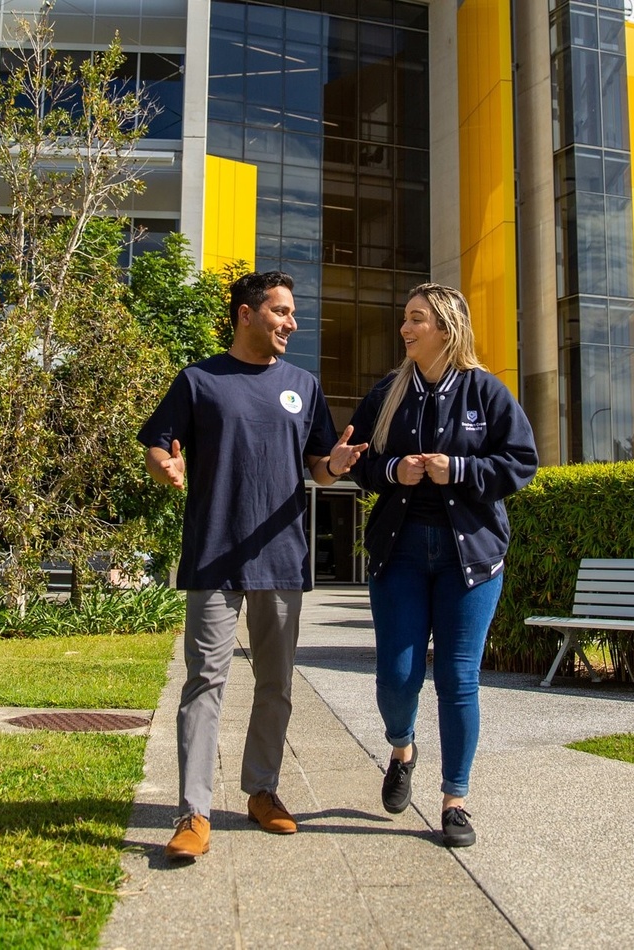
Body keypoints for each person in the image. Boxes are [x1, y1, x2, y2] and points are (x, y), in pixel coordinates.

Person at [138, 270, 367, 860]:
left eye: (293, 313)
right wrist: (164, 464)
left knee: (276, 685)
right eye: (281, 312)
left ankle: (263, 791)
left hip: (281, 557)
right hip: (214, 554)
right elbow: (158, 441)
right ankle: (193, 812)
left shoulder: (302, 385)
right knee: (205, 681)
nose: (292, 323)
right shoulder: (199, 381)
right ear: (246, 314)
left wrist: (336, 463)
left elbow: (317, 467)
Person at [347, 283, 538, 847]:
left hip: (470, 557)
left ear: (448, 328)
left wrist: (458, 468)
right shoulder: (388, 393)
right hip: (400, 551)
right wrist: (391, 474)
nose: (405, 329)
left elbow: (520, 462)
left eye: (416, 320)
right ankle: (402, 748)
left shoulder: (487, 392)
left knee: (458, 680)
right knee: (397, 677)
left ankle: (456, 798)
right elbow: (359, 462)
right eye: (405, 319)